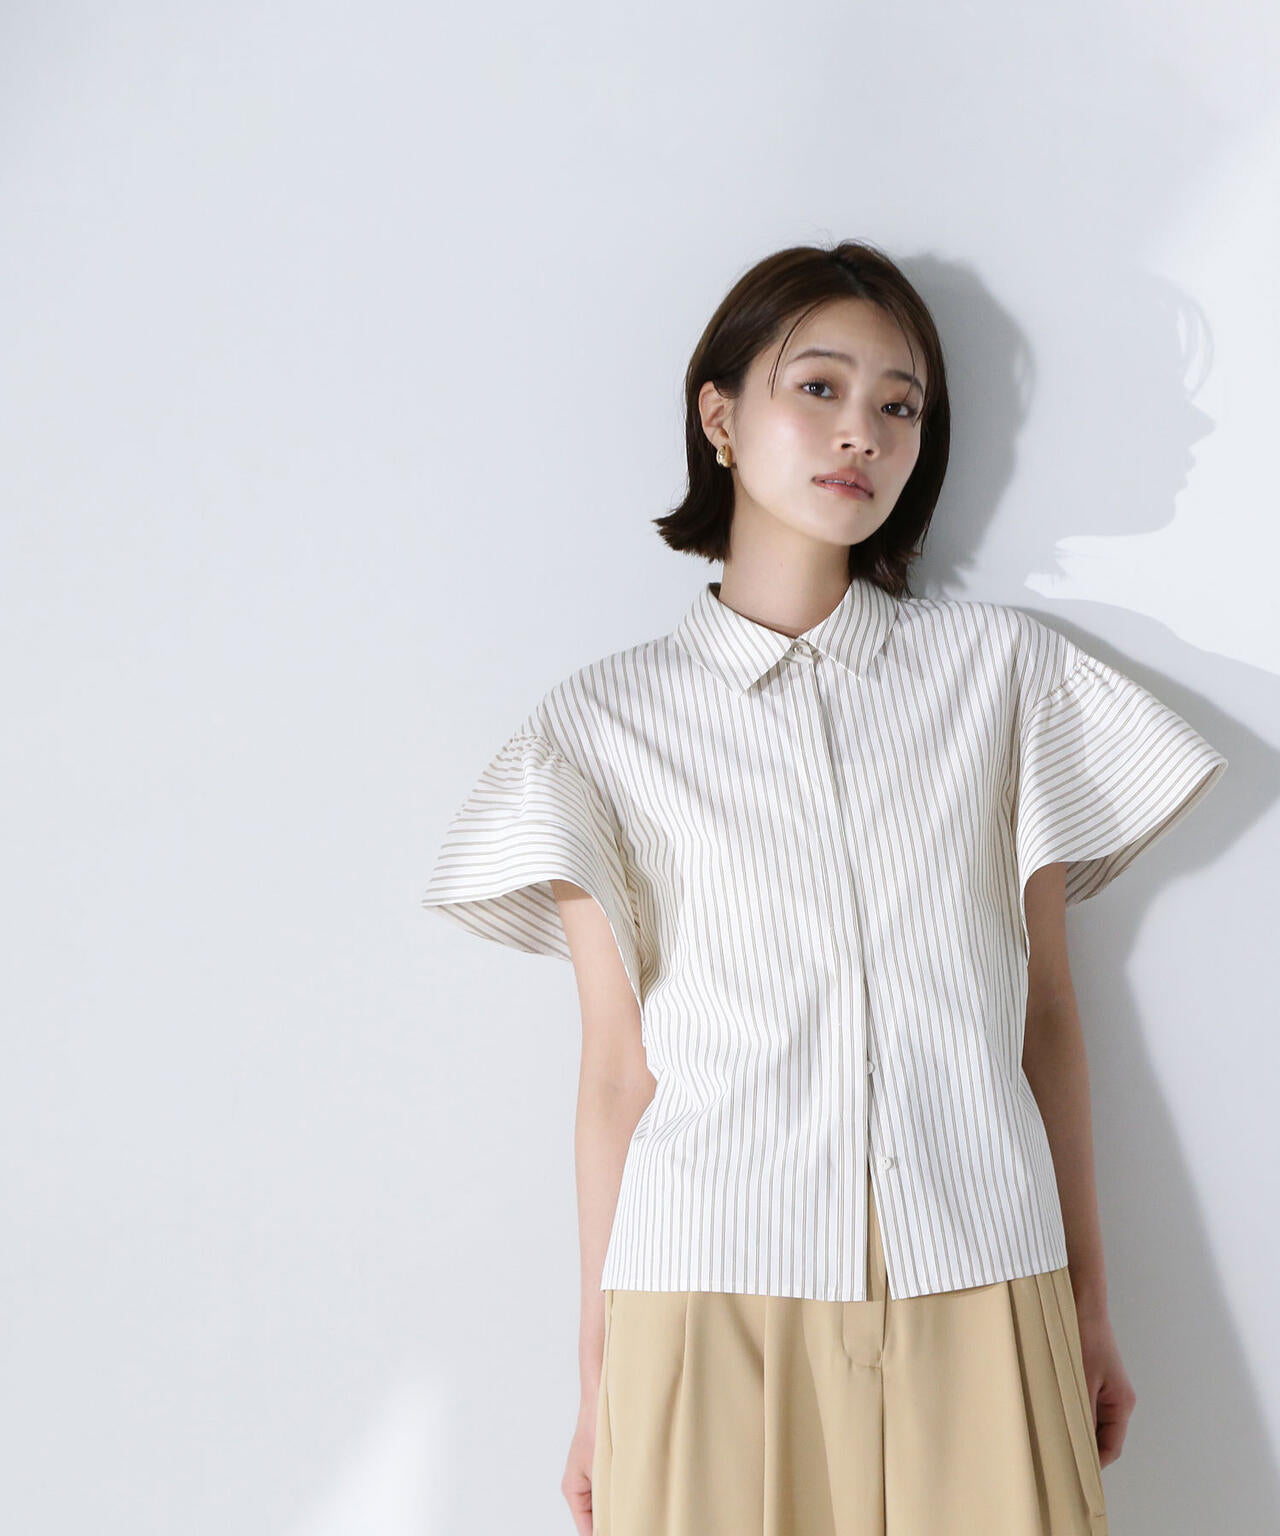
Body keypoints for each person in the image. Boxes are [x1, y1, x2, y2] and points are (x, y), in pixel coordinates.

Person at [420, 240, 1228, 1536]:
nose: (864, 431)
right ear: (720, 416)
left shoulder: (1004, 679)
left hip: (983, 1275)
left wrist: (1086, 1304)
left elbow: (1044, 1017)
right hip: (707, 1300)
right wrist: (599, 1374)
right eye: (820, 387)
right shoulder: (599, 726)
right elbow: (617, 1073)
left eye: (901, 406)